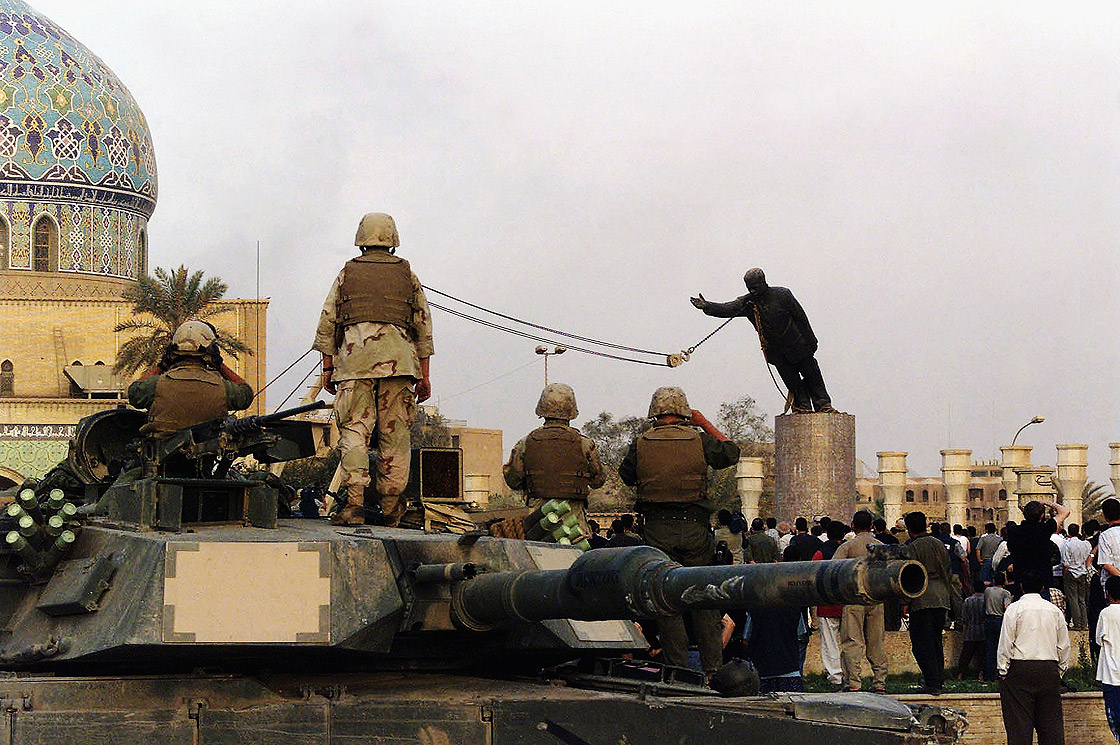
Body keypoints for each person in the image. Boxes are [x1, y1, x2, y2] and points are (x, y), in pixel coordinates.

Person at [314, 212, 434, 526]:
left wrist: (328, 367)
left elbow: (327, 322)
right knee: (395, 436)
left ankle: (353, 505)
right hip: (399, 366)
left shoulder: (347, 273)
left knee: (355, 432)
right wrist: (425, 375)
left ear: (361, 238)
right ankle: (392, 508)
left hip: (355, 365)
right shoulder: (407, 275)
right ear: (393, 239)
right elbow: (423, 327)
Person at [618, 386, 740, 675]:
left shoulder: (641, 443)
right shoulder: (699, 440)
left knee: (665, 599)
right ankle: (712, 671)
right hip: (695, 529)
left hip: (657, 530)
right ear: (685, 412)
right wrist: (704, 422)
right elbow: (731, 452)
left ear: (654, 412)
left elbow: (626, 475)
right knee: (703, 597)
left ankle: (677, 671)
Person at [690, 268, 835, 413]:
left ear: (763, 282)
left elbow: (801, 318)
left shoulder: (783, 294)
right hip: (778, 354)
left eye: (755, 287)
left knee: (813, 376)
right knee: (793, 383)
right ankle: (802, 408)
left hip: (799, 345)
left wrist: (811, 341)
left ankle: (823, 405)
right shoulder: (748, 302)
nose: (752, 291)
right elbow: (727, 308)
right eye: (749, 288)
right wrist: (707, 306)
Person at [503, 383, 606, 538]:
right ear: (571, 410)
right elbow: (598, 481)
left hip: (538, 524)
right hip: (574, 525)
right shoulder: (584, 443)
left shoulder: (526, 443)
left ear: (542, 409)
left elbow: (513, 480)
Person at [128, 320, 254, 437]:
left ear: (172, 350)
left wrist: (162, 365)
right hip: (208, 453)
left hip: (162, 452)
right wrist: (219, 364)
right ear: (212, 351)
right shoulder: (223, 388)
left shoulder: (157, 385)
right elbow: (246, 394)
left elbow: (134, 392)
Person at [997, 570, 1070, 745]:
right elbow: (1064, 645)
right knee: (1051, 727)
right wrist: (1059, 671)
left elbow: (1006, 642)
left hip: (1019, 670)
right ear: (1042, 587)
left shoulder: (1014, 609)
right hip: (1048, 669)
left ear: (1021, 587)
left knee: (1019, 727)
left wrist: (1003, 670)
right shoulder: (1054, 611)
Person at [834, 510, 887, 692]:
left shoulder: (847, 547)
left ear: (852, 526)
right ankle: (880, 682)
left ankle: (853, 682)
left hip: (853, 598)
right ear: (872, 526)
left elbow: (834, 570)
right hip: (876, 598)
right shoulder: (881, 547)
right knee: (876, 641)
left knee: (852, 641)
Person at [905, 511, 951, 694]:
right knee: (935, 640)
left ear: (909, 528)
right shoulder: (938, 544)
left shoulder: (912, 547)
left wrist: (905, 601)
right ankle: (937, 679)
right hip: (940, 597)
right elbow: (948, 570)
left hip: (921, 599)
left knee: (922, 644)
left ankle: (932, 682)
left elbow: (908, 575)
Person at [1008, 499, 1069, 600]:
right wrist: (1047, 502)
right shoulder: (1045, 528)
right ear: (1041, 515)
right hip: (1043, 580)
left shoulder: (1014, 531)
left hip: (1021, 580)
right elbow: (1065, 511)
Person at [812, 521, 848, 687]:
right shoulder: (848, 550)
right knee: (850, 641)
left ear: (827, 533)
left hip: (827, 603)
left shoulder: (821, 552)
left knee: (829, 642)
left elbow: (813, 575)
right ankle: (850, 674)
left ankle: (835, 676)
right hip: (847, 602)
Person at [1096, 575, 1120, 743]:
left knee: (1115, 718)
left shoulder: (1105, 613)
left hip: (1111, 675)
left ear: (1107, 592)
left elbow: (1099, 639)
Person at [984, 571, 1013, 682]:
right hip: (999, 620)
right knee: (1000, 648)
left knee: (989, 648)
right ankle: (999, 672)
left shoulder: (987, 591)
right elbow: (1007, 606)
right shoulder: (1005, 593)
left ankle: (988, 675)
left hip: (988, 620)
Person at [956, 578, 987, 680]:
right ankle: (981, 674)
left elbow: (965, 618)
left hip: (970, 630)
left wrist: (964, 632)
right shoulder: (986, 600)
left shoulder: (968, 600)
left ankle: (960, 674)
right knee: (982, 655)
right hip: (983, 630)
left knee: (966, 654)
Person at [1062, 523, 1091, 630]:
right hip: (1082, 572)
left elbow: (1066, 563)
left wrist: (1064, 575)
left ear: (1069, 532)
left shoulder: (1067, 545)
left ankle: (1077, 623)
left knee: (1073, 599)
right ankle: (1084, 623)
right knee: (1082, 599)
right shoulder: (1085, 544)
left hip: (1071, 572)